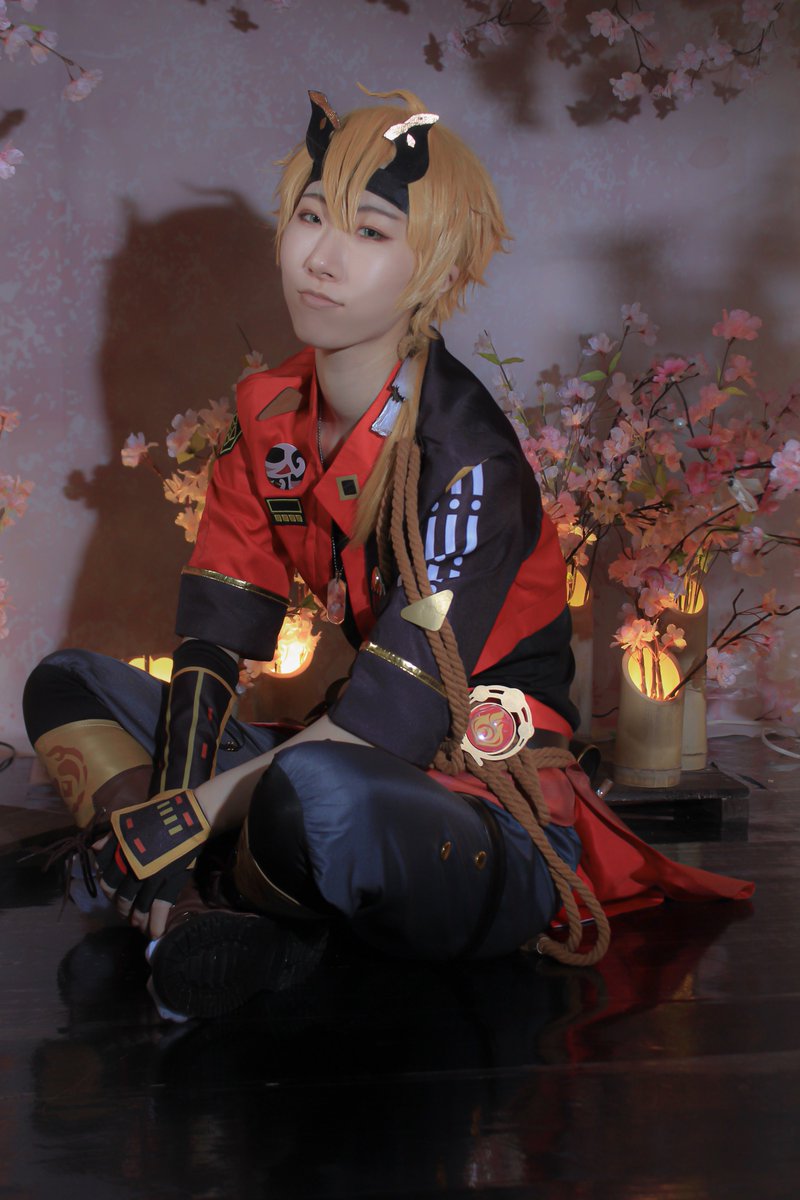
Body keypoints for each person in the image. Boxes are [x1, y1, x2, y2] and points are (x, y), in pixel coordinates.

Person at [22, 88, 752, 1021]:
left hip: (474, 794)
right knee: (67, 684)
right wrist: (167, 832)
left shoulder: (467, 458)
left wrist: (186, 816)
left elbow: (391, 724)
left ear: (430, 267)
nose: (321, 259)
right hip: (349, 745)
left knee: (315, 795)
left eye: (369, 232)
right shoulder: (268, 412)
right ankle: (190, 914)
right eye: (310, 218)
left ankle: (234, 901)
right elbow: (214, 639)